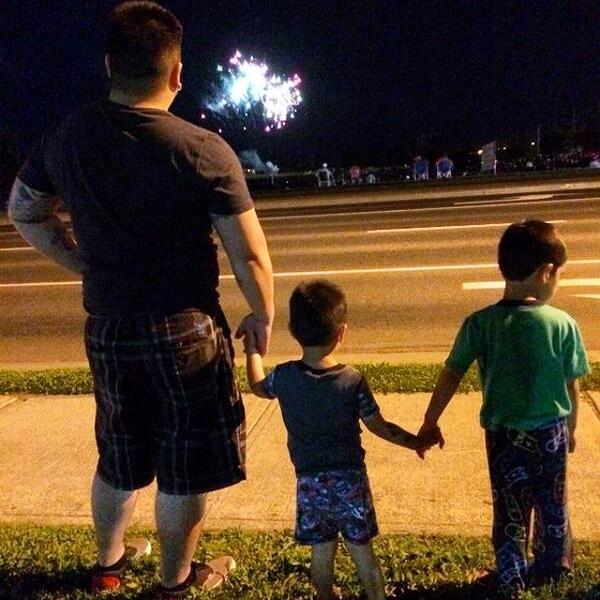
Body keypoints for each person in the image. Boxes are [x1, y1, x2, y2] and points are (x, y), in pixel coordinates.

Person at [8, 2, 274, 598]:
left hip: (106, 324)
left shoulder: (68, 135)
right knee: (183, 466)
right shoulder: (203, 149)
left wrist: (81, 260)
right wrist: (261, 315)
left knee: (119, 452)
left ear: (109, 65)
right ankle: (176, 581)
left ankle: (108, 566)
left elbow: (26, 211)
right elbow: (250, 256)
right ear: (177, 73)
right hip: (186, 331)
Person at [417, 220, 589, 597]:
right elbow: (572, 386)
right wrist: (572, 429)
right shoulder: (563, 324)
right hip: (550, 434)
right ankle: (554, 567)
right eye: (558, 275)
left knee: (510, 509)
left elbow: (450, 376)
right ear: (546, 272)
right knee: (553, 503)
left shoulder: (479, 324)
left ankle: (511, 575)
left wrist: (430, 421)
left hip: (503, 436)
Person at [240, 280, 436, 600]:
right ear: (341, 332)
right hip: (351, 482)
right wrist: (414, 442)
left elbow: (258, 386)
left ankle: (325, 596)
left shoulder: (285, 376)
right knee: (363, 554)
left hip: (310, 482)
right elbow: (379, 426)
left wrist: (252, 349)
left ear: (292, 330)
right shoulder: (352, 380)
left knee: (321, 552)